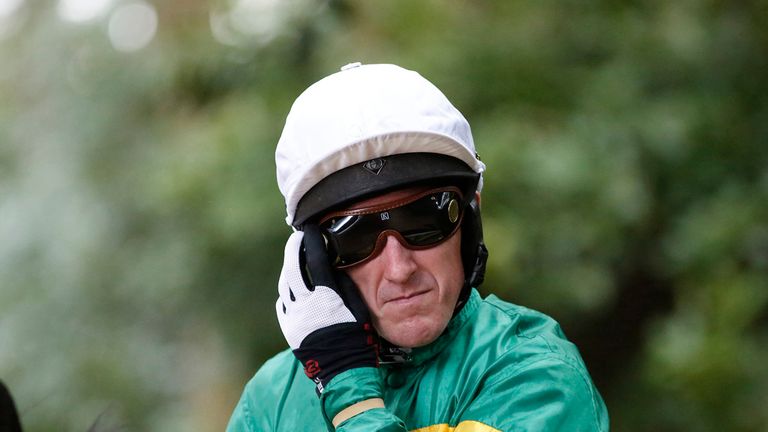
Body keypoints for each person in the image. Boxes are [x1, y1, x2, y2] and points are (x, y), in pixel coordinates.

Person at [227, 63, 609, 431]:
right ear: (313, 255)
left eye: (423, 221)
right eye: (356, 237)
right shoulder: (269, 402)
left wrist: (351, 398)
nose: (399, 268)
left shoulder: (536, 375)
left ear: (472, 215)